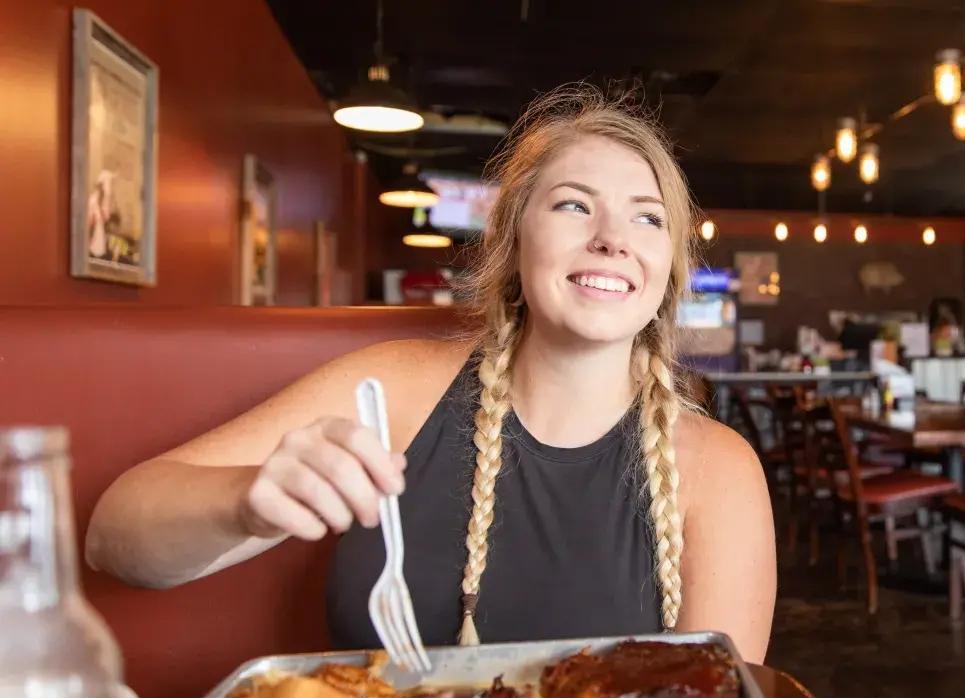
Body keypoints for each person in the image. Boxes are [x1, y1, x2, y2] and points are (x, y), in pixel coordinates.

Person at [84, 85, 776, 662]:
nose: (613, 238)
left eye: (648, 219)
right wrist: (246, 501)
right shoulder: (393, 392)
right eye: (573, 204)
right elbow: (114, 536)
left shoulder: (719, 470)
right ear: (512, 240)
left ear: (668, 270)